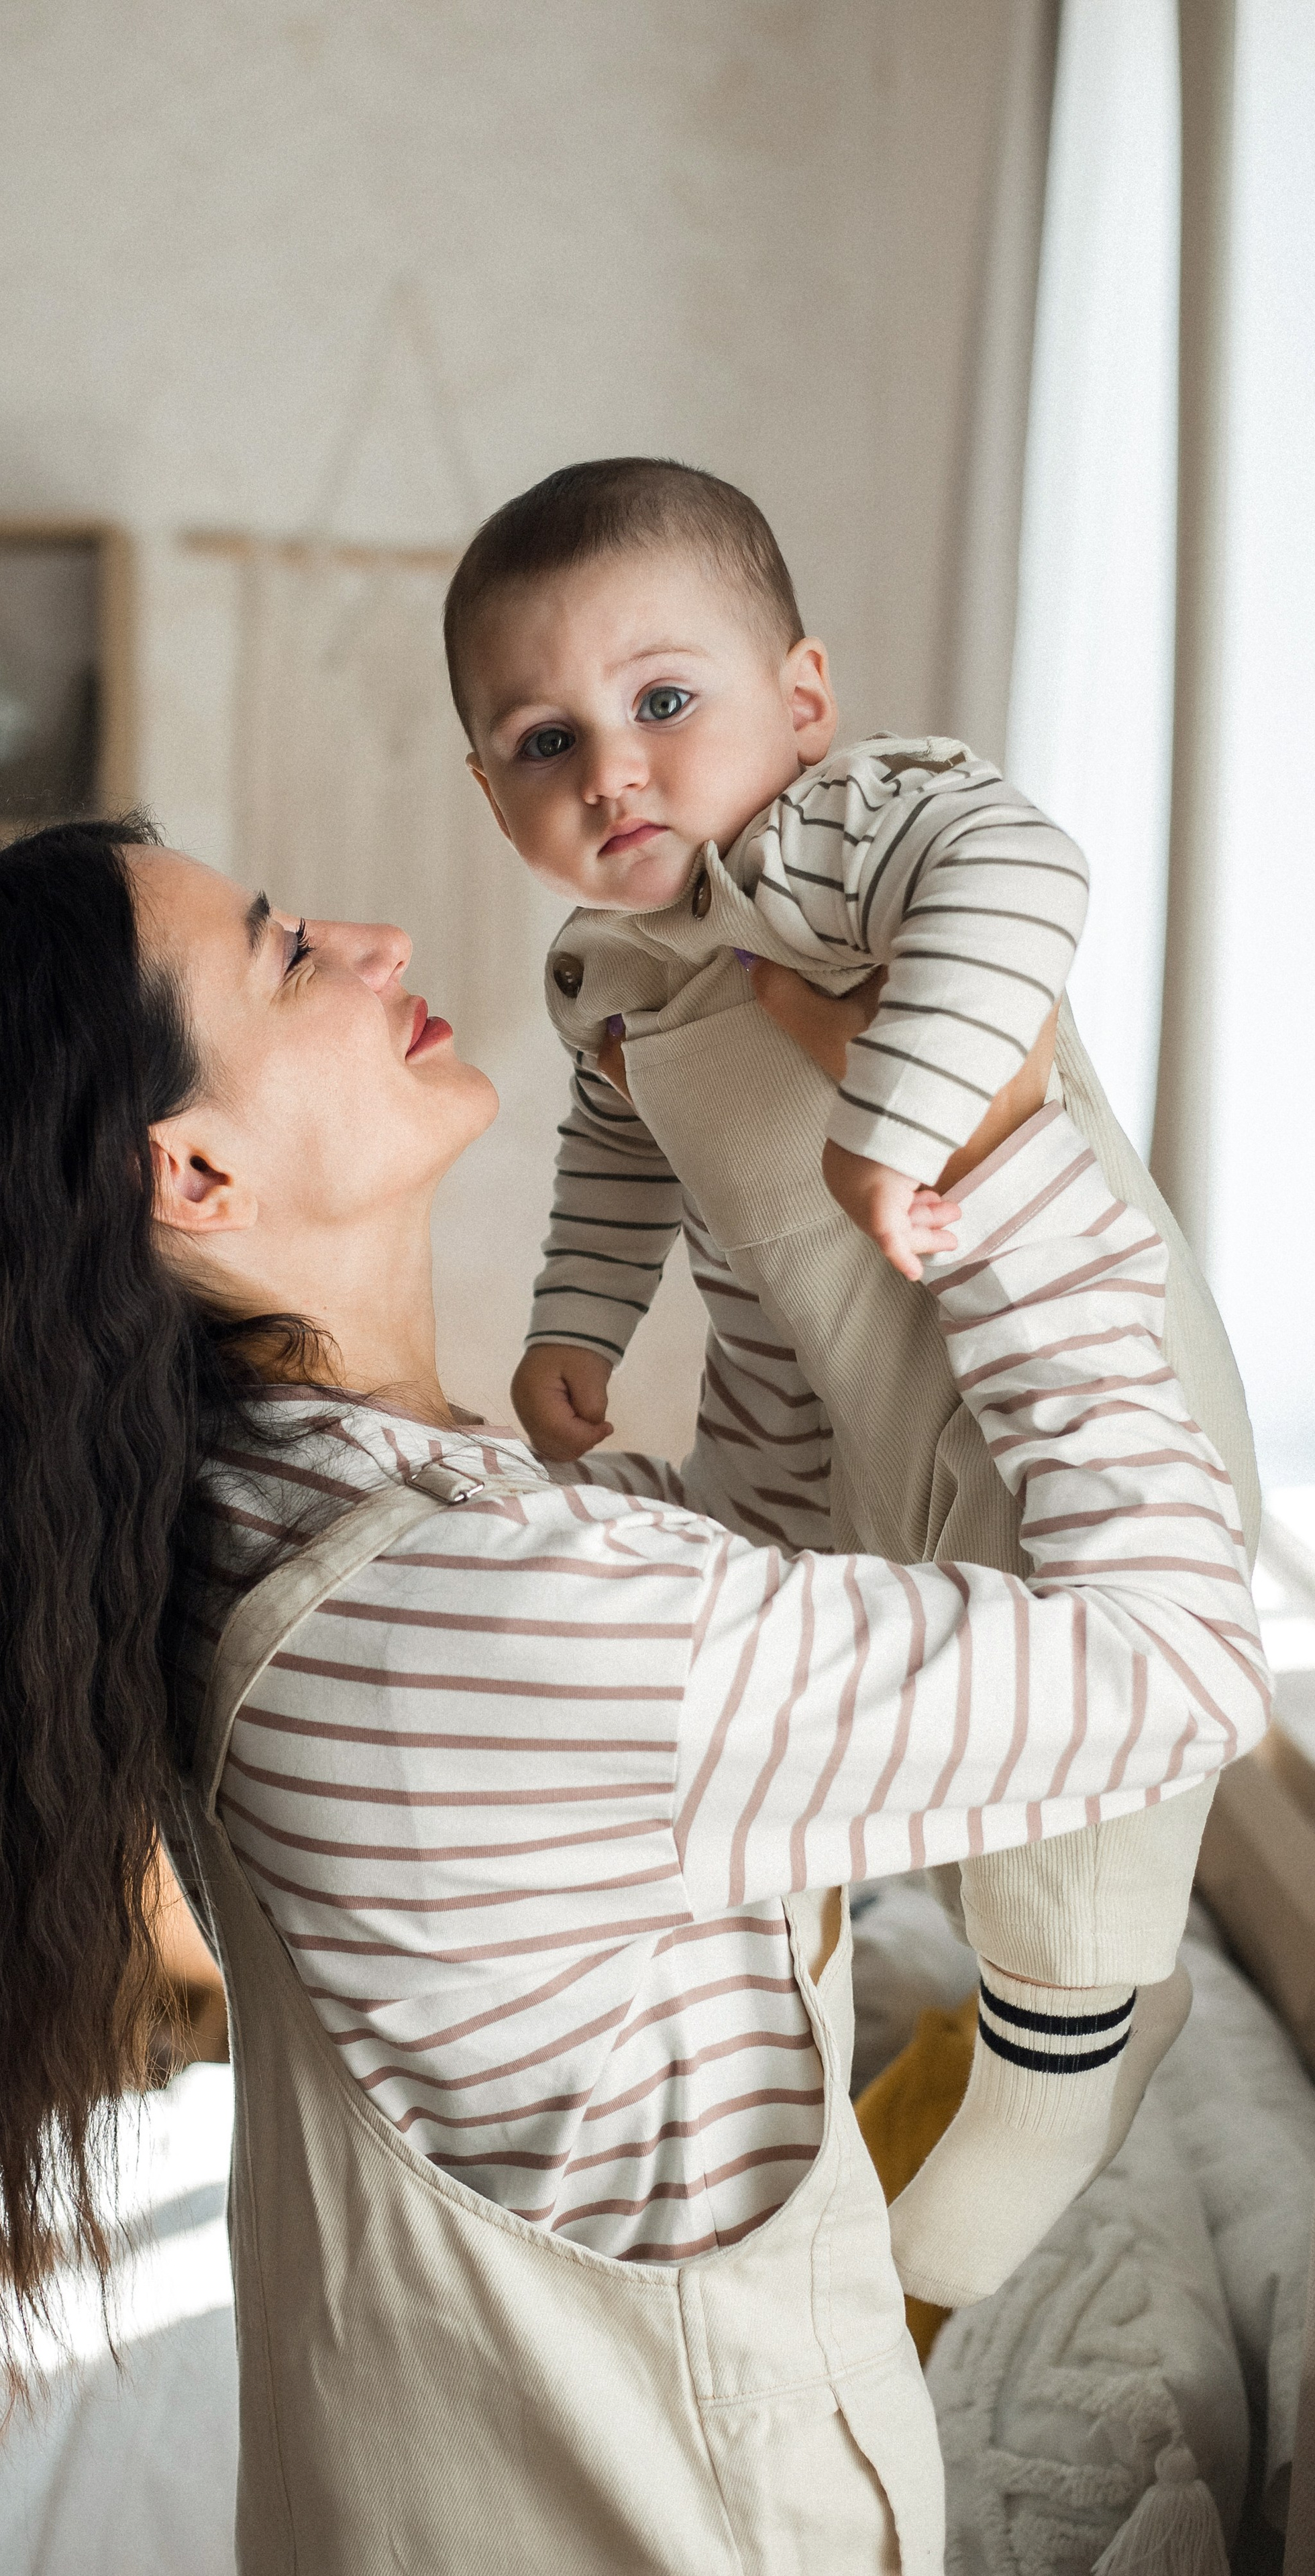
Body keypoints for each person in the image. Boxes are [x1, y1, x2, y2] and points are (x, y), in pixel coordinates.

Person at [0, 816, 1269, 2574]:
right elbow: (1179, 1668)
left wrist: (748, 1156)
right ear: (194, 1178)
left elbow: (760, 1556)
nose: (377, 939)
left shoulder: (270, 1527)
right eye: (288, 953)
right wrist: (1004, 1160)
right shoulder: (461, 1624)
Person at [443, 455, 1263, 2311]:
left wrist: (903, 1117)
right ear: (488, 790)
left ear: (801, 702)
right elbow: (617, 1160)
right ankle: (1009, 2018)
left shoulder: (841, 839)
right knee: (887, 1733)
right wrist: (579, 1330)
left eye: (666, 703)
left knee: (1074, 1822)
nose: (612, 775)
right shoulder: (608, 972)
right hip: (817, 1412)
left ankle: (1001, 2165)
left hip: (1062, 1398)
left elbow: (1023, 875)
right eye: (541, 740)